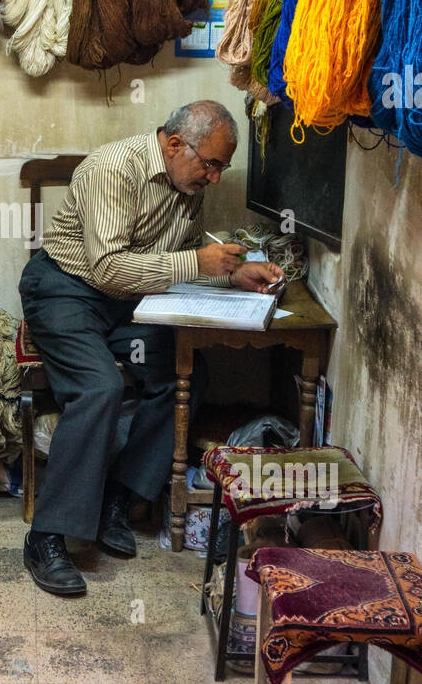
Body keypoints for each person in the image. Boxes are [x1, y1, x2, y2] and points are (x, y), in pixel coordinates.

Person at [18, 101, 284, 597]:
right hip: (67, 289)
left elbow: (174, 264)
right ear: (175, 143)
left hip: (129, 303)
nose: (215, 178)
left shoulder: (188, 183)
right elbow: (109, 269)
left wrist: (231, 273)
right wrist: (197, 262)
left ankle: (118, 497)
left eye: (222, 167)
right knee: (97, 387)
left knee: (184, 374)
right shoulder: (112, 169)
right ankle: (46, 537)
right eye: (211, 164)